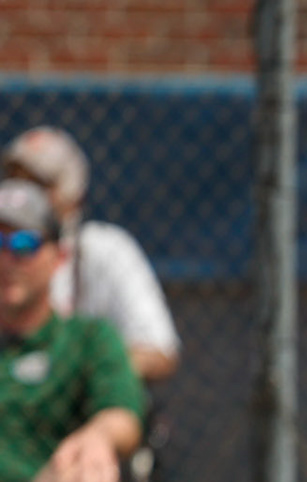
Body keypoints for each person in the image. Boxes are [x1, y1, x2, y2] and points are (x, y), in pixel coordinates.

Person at [0, 179, 145, 482]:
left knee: (83, 476)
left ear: (58, 257)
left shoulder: (88, 339)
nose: (7, 259)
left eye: (24, 244)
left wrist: (97, 437)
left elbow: (123, 416)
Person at [3, 127, 179, 384]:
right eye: (15, 180)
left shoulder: (106, 250)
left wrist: (78, 378)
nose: (26, 196)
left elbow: (158, 350)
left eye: (40, 184)